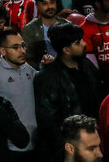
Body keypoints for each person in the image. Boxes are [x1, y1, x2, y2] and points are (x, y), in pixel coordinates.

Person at [33, 22, 102, 156]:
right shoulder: (47, 78)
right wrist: (67, 149)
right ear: (66, 50)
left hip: (93, 140)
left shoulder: (87, 66)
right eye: (78, 42)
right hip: (69, 148)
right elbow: (48, 122)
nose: (84, 44)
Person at [0, 29, 38, 162]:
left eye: (23, 46)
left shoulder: (30, 71)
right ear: (2, 51)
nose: (22, 51)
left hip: (35, 144)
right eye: (15, 47)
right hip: (8, 148)